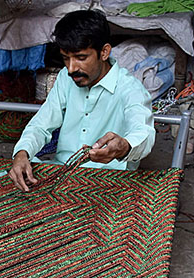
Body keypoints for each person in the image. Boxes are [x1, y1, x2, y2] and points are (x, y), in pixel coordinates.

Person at [8, 10, 155, 192]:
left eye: (81, 58)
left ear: (104, 52)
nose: (71, 68)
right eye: (65, 59)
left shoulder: (130, 88)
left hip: (110, 181)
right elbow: (42, 124)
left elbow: (144, 134)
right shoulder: (65, 78)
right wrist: (22, 153)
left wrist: (124, 146)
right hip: (63, 171)